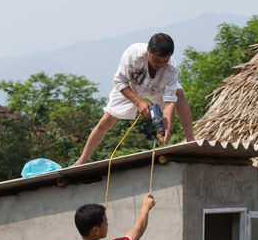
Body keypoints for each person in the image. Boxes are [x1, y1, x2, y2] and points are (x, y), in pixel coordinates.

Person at [72, 33, 195, 166]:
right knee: (106, 120)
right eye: (156, 60)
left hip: (158, 88)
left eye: (164, 61)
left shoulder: (172, 67)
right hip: (131, 87)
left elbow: (170, 101)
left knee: (179, 93)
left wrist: (166, 128)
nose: (160, 64)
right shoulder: (132, 54)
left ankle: (191, 140)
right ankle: (81, 160)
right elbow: (119, 82)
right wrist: (139, 102)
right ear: (148, 51)